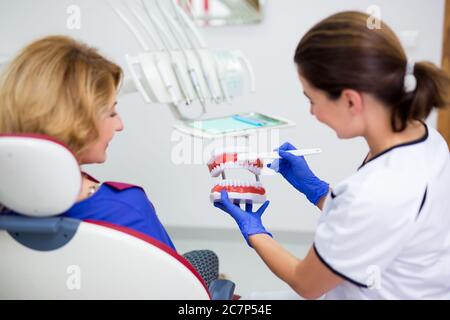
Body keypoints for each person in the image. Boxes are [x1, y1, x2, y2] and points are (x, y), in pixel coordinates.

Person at [213, 11, 450, 299]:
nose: (312, 112)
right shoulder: (426, 138)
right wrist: (317, 191)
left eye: (312, 100)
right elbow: (372, 226)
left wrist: (254, 231)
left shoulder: (377, 191)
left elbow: (307, 284)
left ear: (350, 100)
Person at [0, 35, 175, 251]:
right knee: (204, 257)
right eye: (111, 112)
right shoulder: (126, 209)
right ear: (76, 121)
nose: (120, 125)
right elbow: (178, 284)